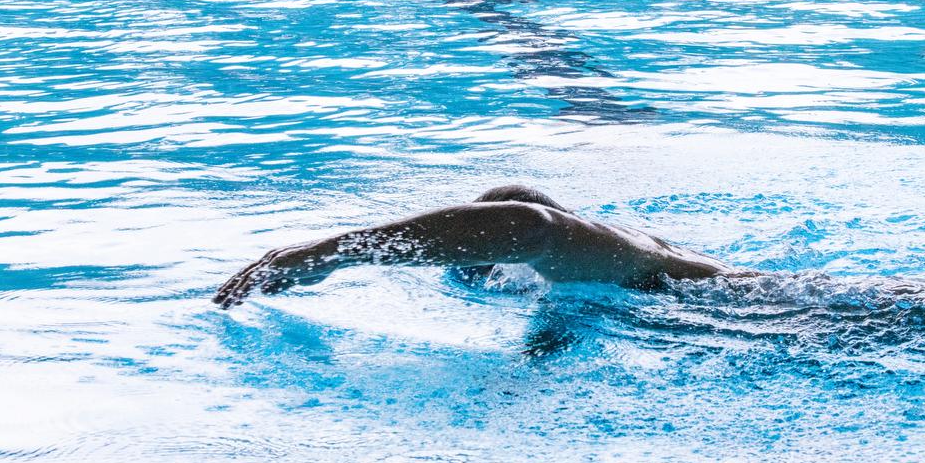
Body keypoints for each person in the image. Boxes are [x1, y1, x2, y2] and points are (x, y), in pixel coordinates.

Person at [213, 186, 742, 309]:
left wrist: (335, 252)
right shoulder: (594, 272)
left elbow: (530, 224)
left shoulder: (625, 254)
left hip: (794, 313)